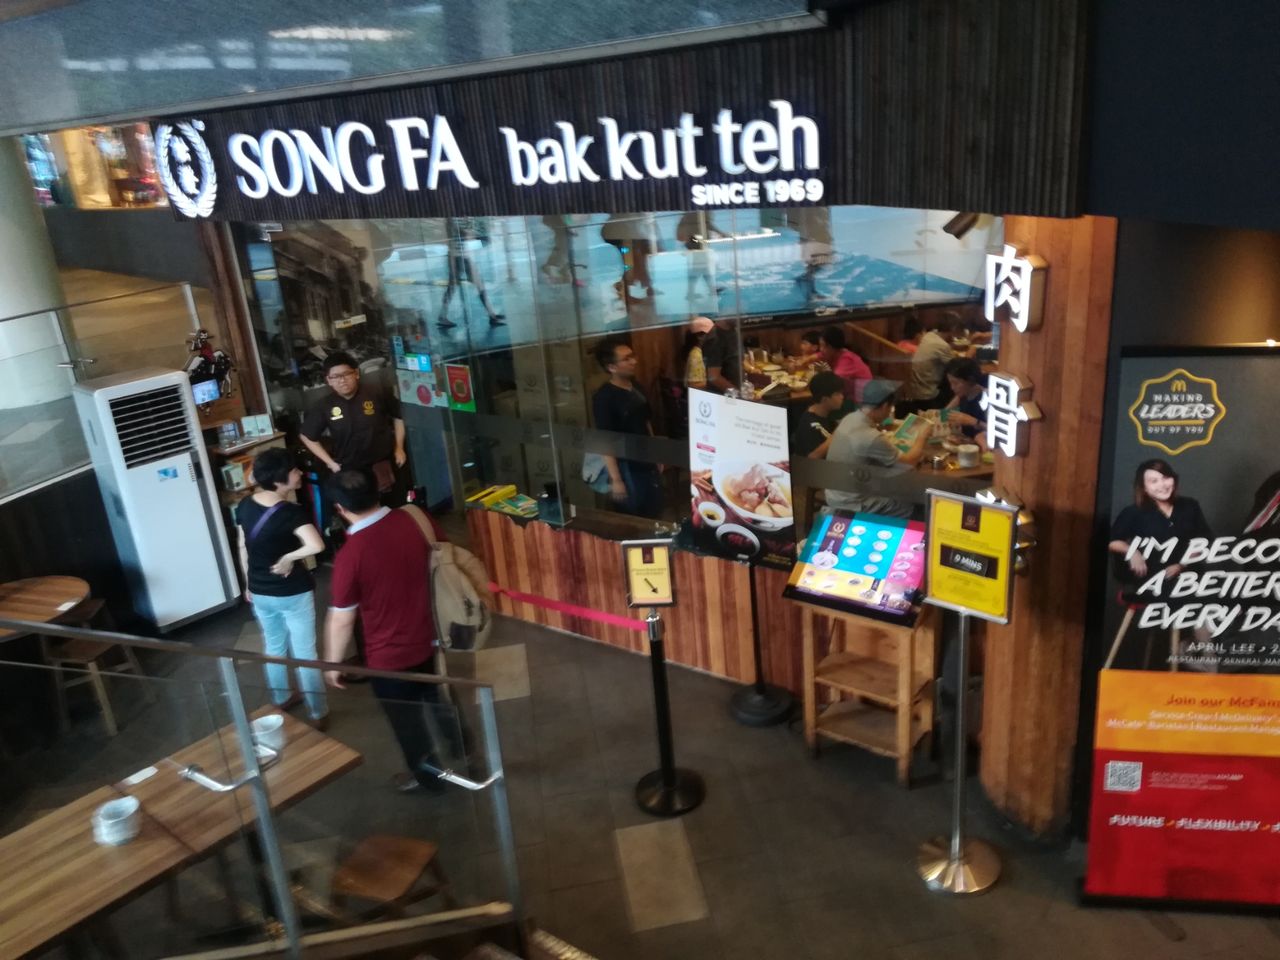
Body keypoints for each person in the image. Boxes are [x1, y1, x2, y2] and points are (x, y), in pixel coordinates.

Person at [322, 470, 454, 792]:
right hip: (432, 634)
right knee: (438, 697)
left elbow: (342, 619)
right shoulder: (415, 518)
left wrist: (333, 663)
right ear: (377, 491)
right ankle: (464, 749)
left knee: (408, 722)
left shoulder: (351, 555)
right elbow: (444, 552)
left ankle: (429, 779)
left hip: (389, 656)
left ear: (340, 508)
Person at [236, 448, 328, 727]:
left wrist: (248, 584)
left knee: (274, 646)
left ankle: (282, 698)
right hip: (293, 593)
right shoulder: (291, 513)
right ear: (279, 480)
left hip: (260, 590)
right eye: (294, 470)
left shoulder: (245, 505)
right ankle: (317, 712)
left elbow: (242, 546)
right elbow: (316, 545)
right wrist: (289, 557)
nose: (299, 473)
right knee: (305, 653)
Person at [300, 352, 407, 503]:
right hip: (350, 470)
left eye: (346, 374)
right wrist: (330, 463)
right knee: (361, 508)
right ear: (328, 380)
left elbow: (399, 416)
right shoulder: (324, 405)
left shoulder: (376, 393)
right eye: (335, 377)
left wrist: (399, 447)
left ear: (356, 373)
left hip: (382, 463)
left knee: (391, 504)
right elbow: (307, 436)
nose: (342, 380)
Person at [825, 379, 932, 518]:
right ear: (885, 406)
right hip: (854, 503)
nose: (889, 412)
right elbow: (909, 462)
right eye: (890, 407)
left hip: (834, 493)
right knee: (915, 505)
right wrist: (922, 435)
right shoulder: (871, 437)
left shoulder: (849, 418)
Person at [1108, 459, 1212, 590]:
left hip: (1189, 581)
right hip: (1148, 582)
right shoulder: (1133, 512)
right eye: (1154, 481)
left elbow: (1204, 540)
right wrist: (1132, 552)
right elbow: (1112, 541)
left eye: (1166, 478)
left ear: (1174, 479)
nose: (1162, 485)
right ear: (1144, 488)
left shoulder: (1190, 505)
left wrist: (1182, 565)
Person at [591, 337, 663, 518]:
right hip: (626, 466)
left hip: (647, 460)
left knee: (655, 509)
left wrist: (657, 454)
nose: (633, 362)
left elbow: (646, 422)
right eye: (626, 359)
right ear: (611, 367)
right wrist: (616, 479)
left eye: (632, 356)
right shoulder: (604, 397)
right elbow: (605, 441)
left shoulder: (637, 387)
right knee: (634, 514)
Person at [437, 217, 505, 328]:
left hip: (462, 256)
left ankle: (492, 315)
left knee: (473, 285)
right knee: (454, 287)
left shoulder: (456, 219)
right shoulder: (452, 220)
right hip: (458, 257)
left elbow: (465, 234)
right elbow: (462, 234)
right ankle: (491, 316)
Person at [901, 316, 959, 410]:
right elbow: (958, 368)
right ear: (953, 328)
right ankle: (950, 414)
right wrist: (971, 352)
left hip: (915, 389)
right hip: (928, 394)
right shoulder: (942, 345)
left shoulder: (929, 335)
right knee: (960, 383)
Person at [676, 210, 728, 301]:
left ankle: (705, 290)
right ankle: (693, 292)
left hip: (694, 241)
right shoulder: (698, 212)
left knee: (702, 268)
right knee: (700, 268)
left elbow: (705, 225)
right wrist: (720, 233)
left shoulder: (691, 214)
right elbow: (707, 225)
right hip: (695, 242)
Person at [792, 372, 845, 459]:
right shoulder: (809, 424)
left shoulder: (827, 413)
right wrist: (837, 433)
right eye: (837, 394)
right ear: (825, 399)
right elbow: (812, 457)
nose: (842, 397)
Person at [818, 325, 872, 403]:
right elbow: (819, 355)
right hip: (851, 393)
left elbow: (833, 384)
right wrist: (806, 360)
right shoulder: (837, 352)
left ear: (833, 346)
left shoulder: (846, 360)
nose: (821, 349)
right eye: (820, 345)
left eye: (823, 346)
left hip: (862, 399)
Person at [941, 357, 987, 441]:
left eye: (955, 383)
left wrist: (973, 421)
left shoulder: (987, 399)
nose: (952, 387)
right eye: (951, 383)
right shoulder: (962, 395)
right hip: (966, 442)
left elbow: (998, 431)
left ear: (970, 380)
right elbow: (944, 414)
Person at [700, 316, 742, 394]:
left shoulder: (733, 331)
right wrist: (739, 395)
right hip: (722, 397)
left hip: (736, 392)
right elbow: (714, 377)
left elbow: (735, 359)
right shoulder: (714, 339)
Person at [684, 316, 713, 389]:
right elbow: (693, 385)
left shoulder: (701, 352)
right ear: (700, 336)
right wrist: (715, 382)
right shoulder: (696, 356)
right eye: (711, 334)